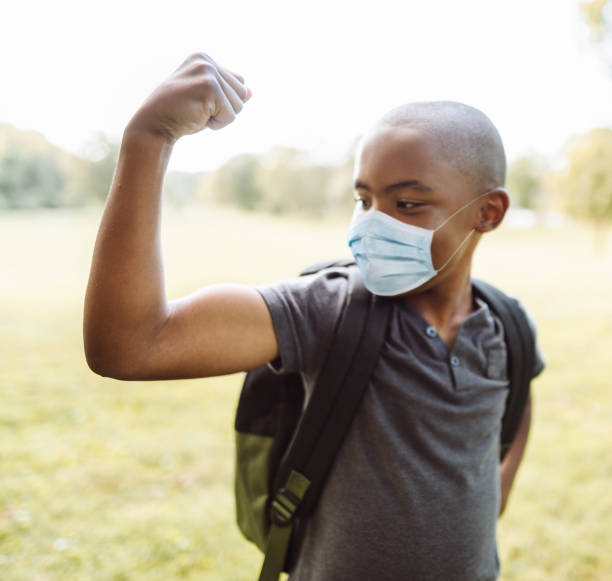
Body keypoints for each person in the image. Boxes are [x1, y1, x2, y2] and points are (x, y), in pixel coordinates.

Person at [84, 52, 545, 581]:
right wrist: (150, 137)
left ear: (489, 212)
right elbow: (130, 345)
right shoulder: (326, 310)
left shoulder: (507, 324)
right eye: (364, 199)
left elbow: (518, 398)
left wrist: (493, 496)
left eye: (409, 204)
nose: (373, 226)